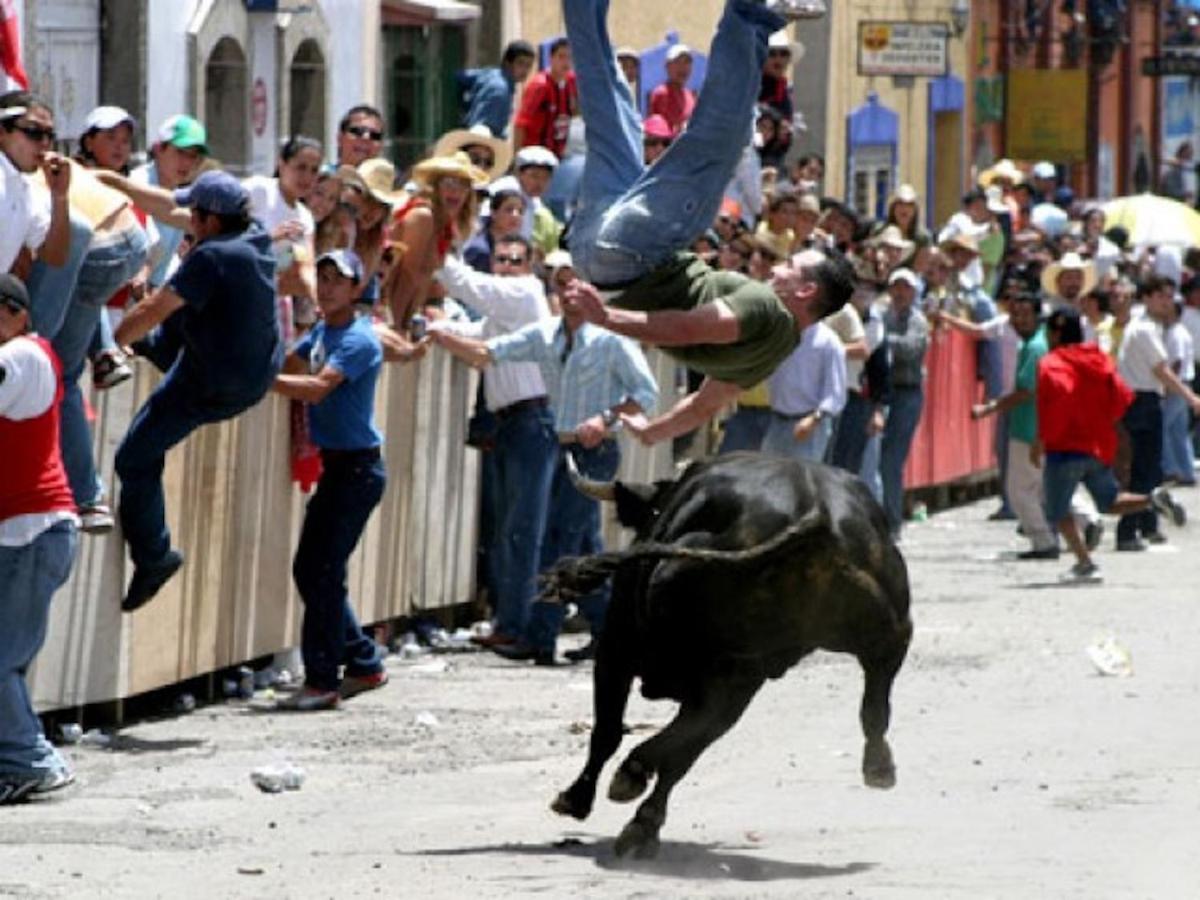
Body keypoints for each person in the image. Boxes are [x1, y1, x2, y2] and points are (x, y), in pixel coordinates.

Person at [557, 0, 837, 442]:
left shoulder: (769, 310)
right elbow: (706, 402)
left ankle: (749, 16)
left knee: (719, 144)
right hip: (600, 253)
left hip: (637, 255)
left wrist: (603, 317)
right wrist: (654, 433)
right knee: (609, 108)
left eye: (791, 267)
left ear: (805, 291)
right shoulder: (769, 354)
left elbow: (687, 327)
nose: (778, 266)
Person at [432, 260, 659, 665]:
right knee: (582, 542)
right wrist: (439, 334)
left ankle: (541, 637)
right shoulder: (544, 335)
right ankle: (611, 630)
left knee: (560, 542)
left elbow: (646, 392)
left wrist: (604, 418)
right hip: (560, 444)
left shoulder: (611, 340)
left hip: (596, 449)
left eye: (577, 284)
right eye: (561, 285)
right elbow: (489, 353)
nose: (569, 292)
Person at [112, 172, 284, 611]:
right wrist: (118, 184)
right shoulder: (255, 235)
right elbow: (168, 206)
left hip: (211, 383)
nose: (187, 219)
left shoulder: (211, 258)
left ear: (209, 220)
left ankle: (155, 556)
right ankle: (155, 348)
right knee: (180, 324)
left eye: (195, 215)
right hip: (253, 372)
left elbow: (154, 307)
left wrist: (113, 341)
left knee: (132, 458)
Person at [270, 250, 415, 711]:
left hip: (356, 470)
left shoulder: (358, 339)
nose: (329, 286)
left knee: (320, 571)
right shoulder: (322, 331)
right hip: (340, 469)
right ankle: (362, 661)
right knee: (317, 571)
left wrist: (260, 381)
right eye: (324, 278)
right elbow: (293, 362)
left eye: (339, 280)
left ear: (356, 290)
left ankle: (323, 679)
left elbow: (316, 387)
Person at [432, 235, 552, 647]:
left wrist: (435, 246)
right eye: (499, 259)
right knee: (511, 531)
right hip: (514, 424)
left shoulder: (522, 293)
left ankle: (518, 627)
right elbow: (473, 328)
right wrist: (437, 328)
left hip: (530, 422)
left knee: (521, 531)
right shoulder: (508, 309)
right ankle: (512, 623)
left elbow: (469, 290)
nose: (505, 266)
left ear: (529, 265)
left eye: (514, 259)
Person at [0, 274, 79, 804]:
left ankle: (33, 760)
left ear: (19, 315)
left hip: (34, 533)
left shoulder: (25, 355)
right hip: (23, 535)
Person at [1035, 308, 1181, 583]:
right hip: (1098, 446)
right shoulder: (1099, 360)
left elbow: (1057, 399)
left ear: (1054, 334)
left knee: (1056, 508)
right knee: (1109, 501)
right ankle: (1153, 499)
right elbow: (1122, 399)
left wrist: (1040, 440)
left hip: (1064, 447)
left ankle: (1084, 563)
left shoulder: (1051, 363)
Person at [966, 293, 1061, 558]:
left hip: (1029, 428)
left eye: (1025, 315)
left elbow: (1025, 391)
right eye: (1014, 315)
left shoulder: (1034, 348)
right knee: (1041, 487)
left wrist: (989, 408)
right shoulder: (1035, 343)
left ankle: (1044, 541)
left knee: (1019, 490)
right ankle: (1083, 523)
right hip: (1035, 425)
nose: (1018, 321)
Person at [1113, 275, 1199, 550]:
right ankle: (1128, 531)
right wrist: (1191, 397)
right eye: (1160, 296)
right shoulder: (1145, 329)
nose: (1167, 302)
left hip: (1142, 399)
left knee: (1150, 467)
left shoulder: (1147, 327)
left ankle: (1147, 526)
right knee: (1143, 468)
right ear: (1147, 298)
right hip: (1142, 400)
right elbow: (1161, 370)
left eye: (1169, 296)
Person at [386, 152, 488, 327]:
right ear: (435, 186)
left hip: (410, 315)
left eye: (464, 185)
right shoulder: (423, 216)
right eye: (449, 182)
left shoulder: (444, 228)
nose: (456, 190)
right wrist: (397, 326)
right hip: (389, 313)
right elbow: (406, 278)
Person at [762, 284, 847, 462]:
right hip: (776, 420)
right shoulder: (781, 334)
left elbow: (835, 393)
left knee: (801, 483)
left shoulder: (828, 342)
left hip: (808, 425)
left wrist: (814, 419)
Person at [879, 267, 929, 539]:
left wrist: (881, 342)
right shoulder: (882, 316)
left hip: (907, 393)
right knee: (877, 457)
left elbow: (911, 349)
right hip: (885, 391)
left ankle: (892, 521)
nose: (900, 293)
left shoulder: (917, 320)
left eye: (905, 288)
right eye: (896, 287)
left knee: (891, 459)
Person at [513, 37, 578, 158]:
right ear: (551, 59)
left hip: (559, 155)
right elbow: (521, 124)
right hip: (535, 155)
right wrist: (517, 157)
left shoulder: (572, 82)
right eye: (561, 57)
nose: (566, 62)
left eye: (570, 57)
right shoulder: (540, 86)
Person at [458, 40, 537, 138]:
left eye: (528, 66)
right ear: (508, 63)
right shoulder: (500, 91)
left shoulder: (491, 75)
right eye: (520, 63)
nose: (525, 70)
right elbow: (485, 133)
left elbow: (461, 77)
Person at [647, 44, 697, 136]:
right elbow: (657, 131)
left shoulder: (690, 95)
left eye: (687, 62)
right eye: (677, 62)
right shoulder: (662, 94)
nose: (683, 67)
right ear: (667, 66)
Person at [335, 104, 386, 169]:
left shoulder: (394, 179)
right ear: (340, 138)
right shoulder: (322, 177)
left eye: (374, 135)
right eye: (358, 131)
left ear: (381, 145)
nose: (366, 138)